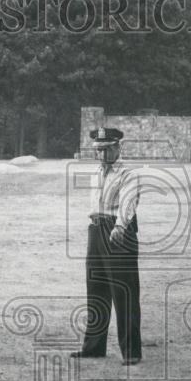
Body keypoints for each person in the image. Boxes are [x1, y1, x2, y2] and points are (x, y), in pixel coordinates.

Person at [71, 127, 143, 365]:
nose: (101, 155)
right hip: (96, 229)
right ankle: (94, 347)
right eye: (98, 150)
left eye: (105, 150)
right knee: (96, 289)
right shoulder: (97, 172)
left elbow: (128, 203)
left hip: (118, 231)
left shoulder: (128, 174)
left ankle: (131, 352)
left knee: (124, 291)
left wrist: (120, 227)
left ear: (117, 147)